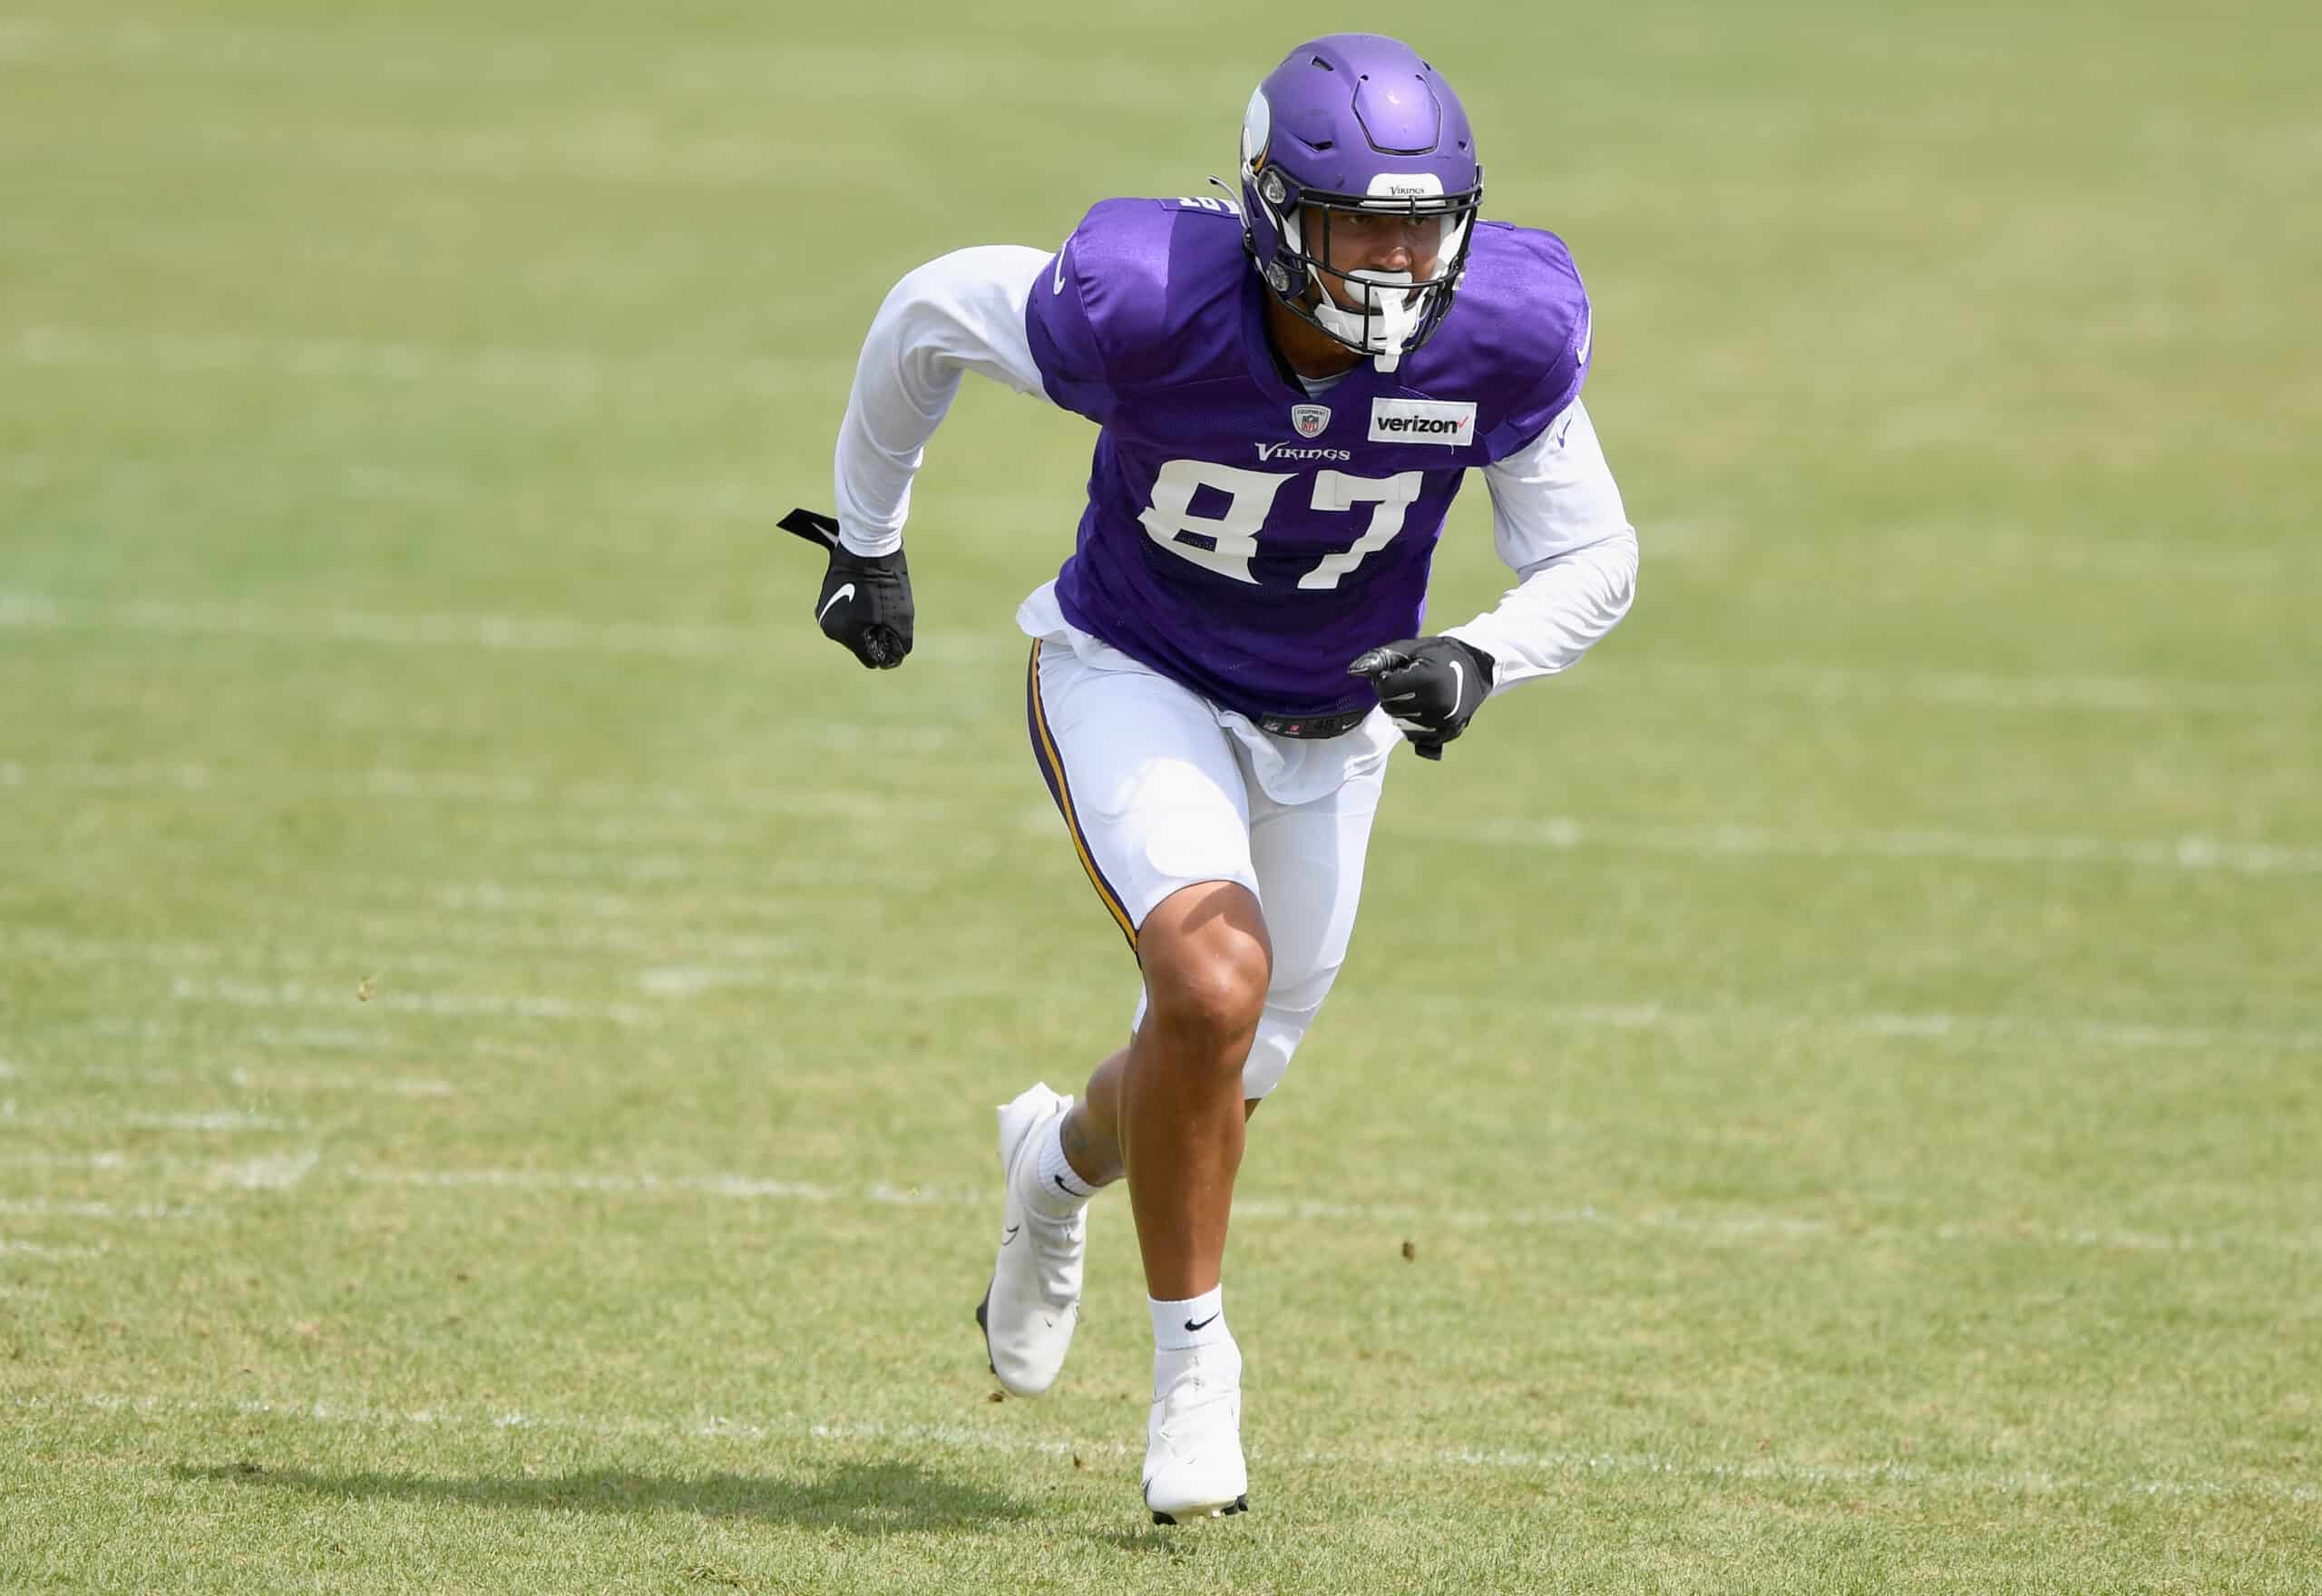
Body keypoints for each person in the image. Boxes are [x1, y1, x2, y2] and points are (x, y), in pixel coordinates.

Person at [788, 33, 1639, 1523]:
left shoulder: (1499, 329)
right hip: (1135, 671)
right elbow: (927, 310)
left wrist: (1486, 653)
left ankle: (1053, 1167)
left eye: (1422, 224)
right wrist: (868, 534)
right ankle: (1196, 1368)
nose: (1394, 260)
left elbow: (1595, 554)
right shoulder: (1145, 303)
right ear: (1266, 212)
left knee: (1216, 1071)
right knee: (1211, 981)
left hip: (1332, 724)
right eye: (1357, 223)